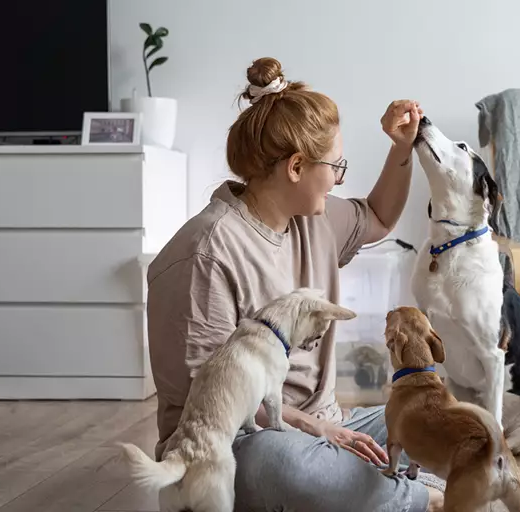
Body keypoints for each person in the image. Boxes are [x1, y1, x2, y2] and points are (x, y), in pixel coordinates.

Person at [145, 57, 441, 512]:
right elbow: (211, 404)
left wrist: (401, 149)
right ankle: (414, 496)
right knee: (278, 465)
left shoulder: (312, 219)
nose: (340, 178)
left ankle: (373, 484)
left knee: (430, 414)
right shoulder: (205, 253)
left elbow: (380, 216)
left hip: (326, 426)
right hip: (238, 444)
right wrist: (315, 430)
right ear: (297, 167)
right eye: (336, 166)